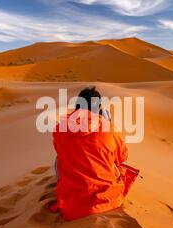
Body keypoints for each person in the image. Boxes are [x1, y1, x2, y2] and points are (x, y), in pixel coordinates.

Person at [49, 86, 136, 221]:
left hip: (71, 201)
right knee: (118, 161)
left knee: (58, 158)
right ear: (99, 109)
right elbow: (122, 156)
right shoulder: (109, 129)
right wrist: (107, 123)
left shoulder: (60, 127)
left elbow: (59, 150)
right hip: (105, 199)